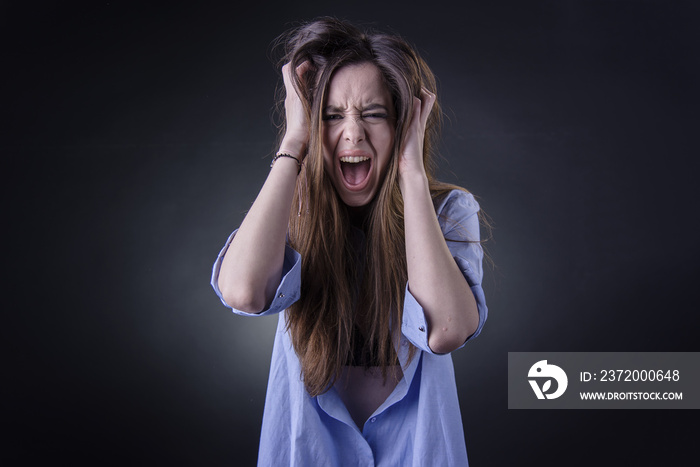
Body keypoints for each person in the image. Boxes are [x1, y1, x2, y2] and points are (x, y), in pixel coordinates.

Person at [211, 17, 488, 466]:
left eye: (374, 114)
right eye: (332, 115)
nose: (353, 133)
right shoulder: (292, 207)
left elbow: (447, 330)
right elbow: (243, 292)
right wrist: (295, 141)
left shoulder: (450, 212)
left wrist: (412, 174)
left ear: (402, 124)